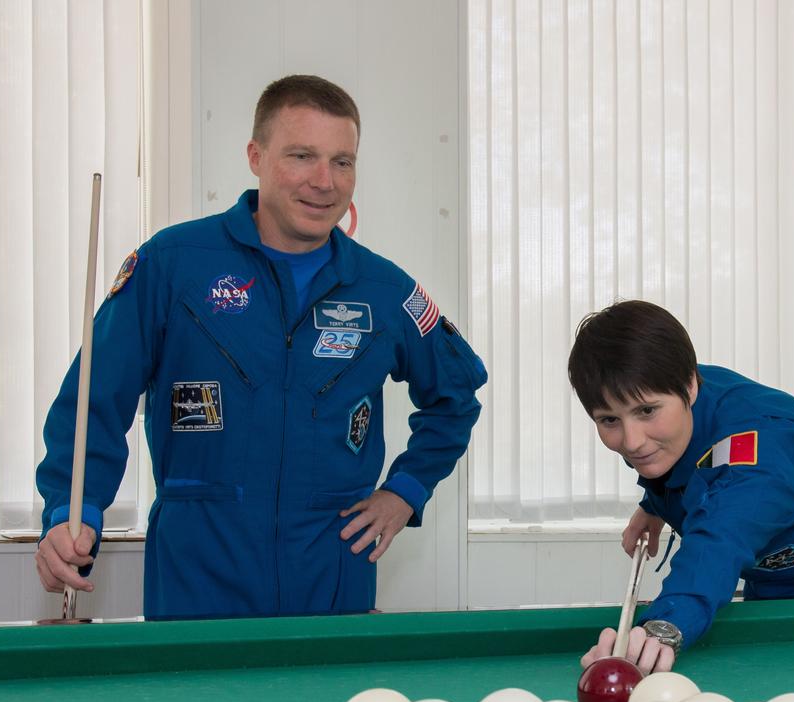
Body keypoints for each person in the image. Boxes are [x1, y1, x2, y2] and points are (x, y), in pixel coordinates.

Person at [35, 75, 487, 619]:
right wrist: (70, 511)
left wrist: (405, 491)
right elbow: (91, 403)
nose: (325, 182)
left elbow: (456, 397)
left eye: (342, 162)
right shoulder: (173, 266)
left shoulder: (384, 291)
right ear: (255, 155)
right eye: (302, 156)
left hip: (331, 580)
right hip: (197, 579)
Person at [569, 300, 794, 673]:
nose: (632, 440)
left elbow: (721, 538)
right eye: (608, 420)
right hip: (769, 590)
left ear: (690, 386)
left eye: (646, 412)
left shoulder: (762, 450)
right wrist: (654, 504)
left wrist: (663, 629)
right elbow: (687, 465)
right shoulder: (655, 400)